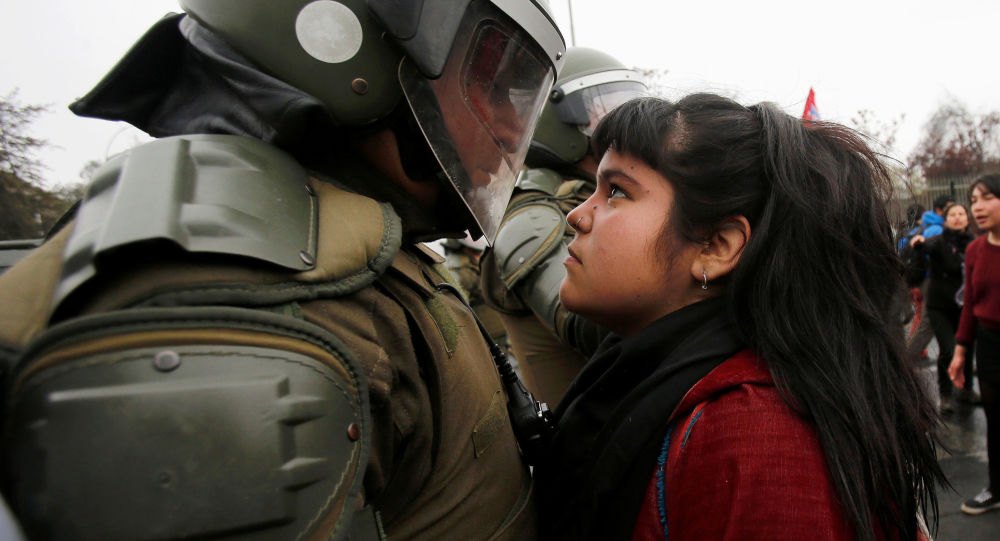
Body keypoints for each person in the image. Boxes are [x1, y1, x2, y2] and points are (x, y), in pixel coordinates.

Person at [0, 1, 565, 539]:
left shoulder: (357, 236)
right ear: (342, 48)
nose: (511, 125)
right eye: (486, 84)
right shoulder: (238, 298)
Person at [533, 95, 943, 541]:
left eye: (616, 191)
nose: (577, 215)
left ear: (717, 247)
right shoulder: (654, 373)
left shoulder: (751, 437)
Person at [480, 47, 646, 404]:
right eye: (602, 110)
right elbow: (589, 321)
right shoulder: (531, 219)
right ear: (557, 118)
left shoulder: (605, 198)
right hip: (591, 434)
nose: (623, 128)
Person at [950, 173, 1000, 515]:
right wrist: (959, 351)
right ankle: (996, 489)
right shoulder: (975, 250)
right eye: (973, 200)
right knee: (996, 420)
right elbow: (969, 303)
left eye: (986, 197)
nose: (977, 207)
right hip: (990, 344)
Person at [907, 202, 977, 411]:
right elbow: (925, 246)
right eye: (952, 214)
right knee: (948, 349)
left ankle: (966, 389)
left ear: (967, 218)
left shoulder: (974, 243)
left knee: (967, 348)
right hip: (940, 307)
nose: (957, 217)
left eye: (961, 213)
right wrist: (919, 243)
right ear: (945, 220)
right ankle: (945, 394)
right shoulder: (939, 241)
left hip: (966, 307)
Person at [906, 194, 956, 364]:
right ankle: (907, 358)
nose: (954, 213)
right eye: (950, 208)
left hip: (927, 280)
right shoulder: (937, 229)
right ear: (940, 210)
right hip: (934, 280)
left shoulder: (926, 226)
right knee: (928, 321)